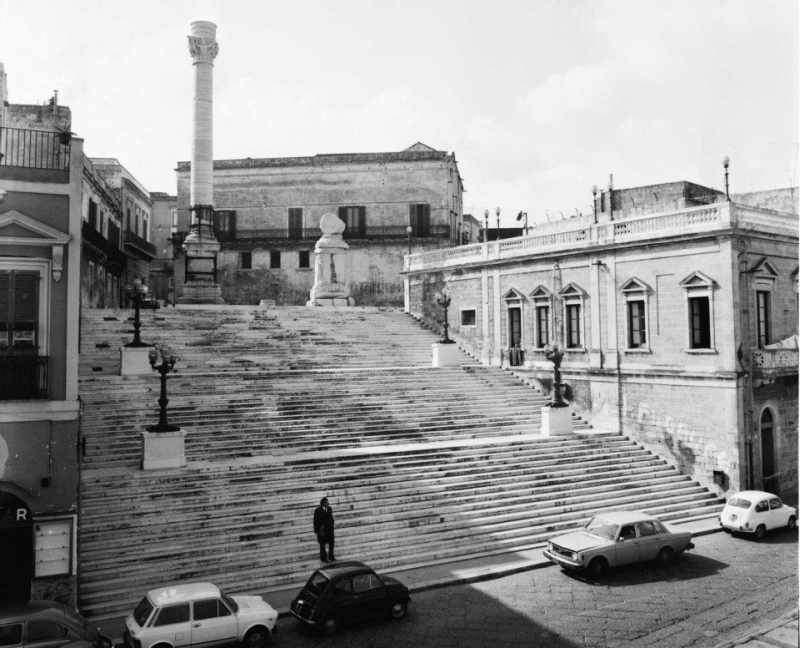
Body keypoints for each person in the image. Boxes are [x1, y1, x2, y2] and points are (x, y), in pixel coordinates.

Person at [313, 497, 336, 562]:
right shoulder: (318, 510)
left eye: (328, 502)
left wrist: (332, 523)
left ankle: (331, 557)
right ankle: (323, 558)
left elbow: (331, 517)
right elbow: (315, 521)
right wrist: (317, 530)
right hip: (322, 530)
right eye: (326, 503)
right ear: (323, 503)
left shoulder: (329, 508)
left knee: (331, 543)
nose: (328, 504)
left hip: (329, 529)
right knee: (322, 545)